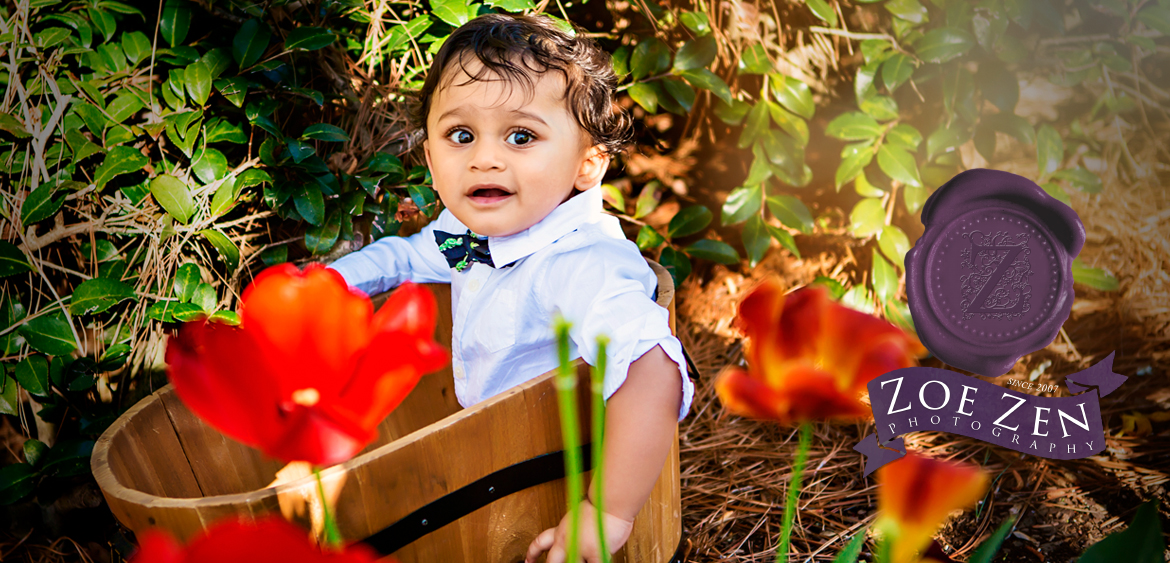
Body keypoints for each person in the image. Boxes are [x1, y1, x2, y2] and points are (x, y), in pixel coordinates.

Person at [327, 13, 694, 563]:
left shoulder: (578, 265)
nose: (485, 157)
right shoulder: (469, 235)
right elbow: (407, 256)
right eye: (461, 135)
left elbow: (652, 365)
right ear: (430, 158)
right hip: (497, 454)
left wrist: (606, 512)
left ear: (588, 163)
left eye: (521, 136)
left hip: (561, 476)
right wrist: (332, 283)